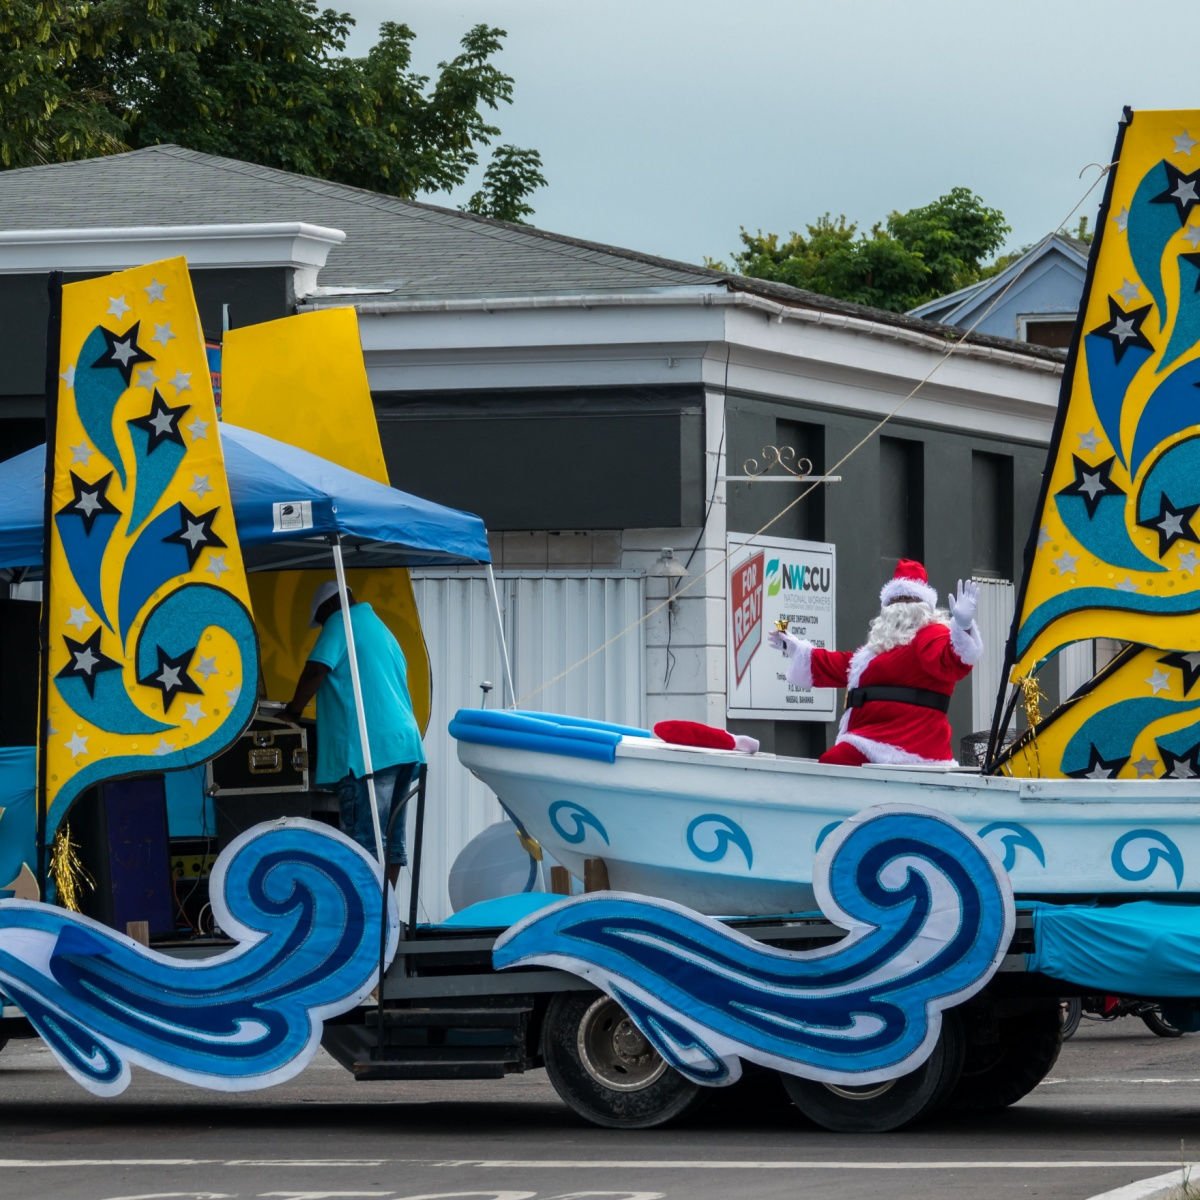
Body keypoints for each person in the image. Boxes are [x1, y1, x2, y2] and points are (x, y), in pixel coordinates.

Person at [767, 559, 982, 766]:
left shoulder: (931, 634)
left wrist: (962, 627)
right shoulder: (878, 651)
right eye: (896, 602)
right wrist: (795, 648)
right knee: (833, 762)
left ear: (923, 607)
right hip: (873, 738)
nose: (901, 608)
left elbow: (950, 657)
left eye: (909, 602)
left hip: (904, 743)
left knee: (833, 763)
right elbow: (843, 665)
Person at [285, 580, 424, 885]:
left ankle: (366, 915)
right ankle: (387, 913)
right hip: (403, 746)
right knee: (391, 839)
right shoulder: (380, 630)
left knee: (362, 841)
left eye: (321, 619)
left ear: (331, 606)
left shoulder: (342, 622)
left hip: (367, 750)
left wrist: (292, 711)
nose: (323, 627)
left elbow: (315, 670)